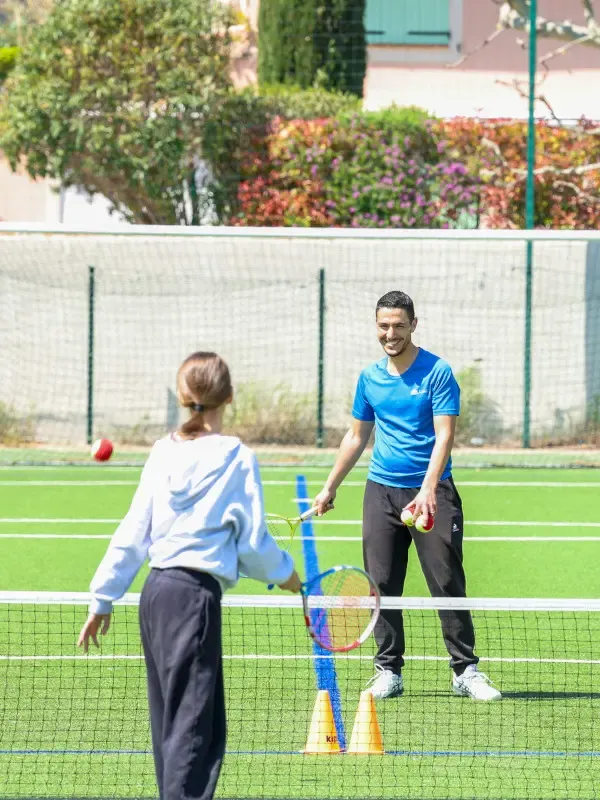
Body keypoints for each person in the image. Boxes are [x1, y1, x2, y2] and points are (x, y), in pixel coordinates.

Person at [78, 351, 301, 800]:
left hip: (155, 595)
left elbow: (134, 530)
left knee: (174, 725)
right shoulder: (238, 457)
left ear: (183, 397)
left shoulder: (164, 451)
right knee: (193, 730)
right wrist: (287, 575)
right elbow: (253, 544)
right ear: (230, 397)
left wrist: (102, 597)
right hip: (194, 599)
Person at [314, 291, 500, 702]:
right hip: (381, 492)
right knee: (381, 583)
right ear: (376, 326)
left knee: (446, 581)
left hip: (433, 492)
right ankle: (388, 670)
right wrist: (330, 486)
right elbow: (356, 436)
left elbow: (445, 435)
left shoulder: (438, 372)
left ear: (414, 325)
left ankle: (465, 671)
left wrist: (429, 488)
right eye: (384, 326)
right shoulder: (369, 378)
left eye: (399, 325)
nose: (391, 334)